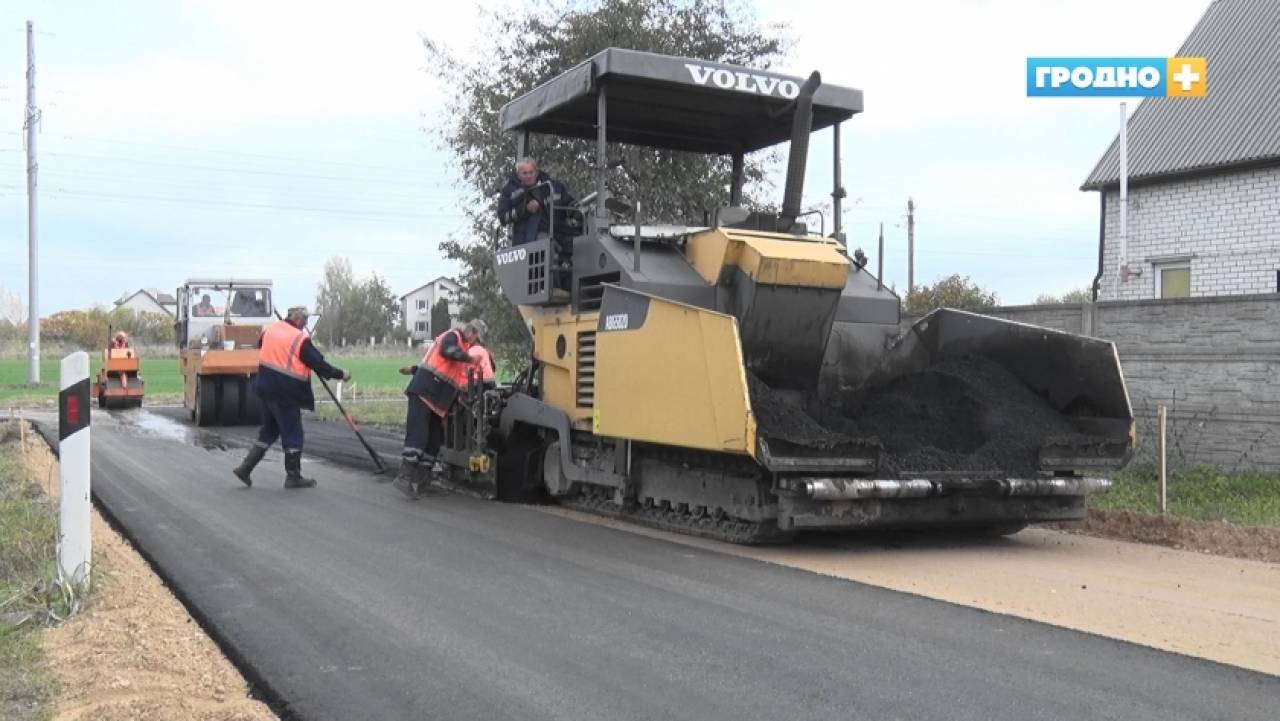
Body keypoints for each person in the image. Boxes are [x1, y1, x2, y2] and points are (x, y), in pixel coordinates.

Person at [231, 306, 351, 489]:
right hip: (285, 392)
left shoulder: (270, 330)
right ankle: (293, 476)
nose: (306, 324)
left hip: (265, 388)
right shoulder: (299, 338)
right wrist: (340, 374)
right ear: (297, 318)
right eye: (305, 320)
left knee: (269, 432)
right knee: (293, 434)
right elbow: (318, 363)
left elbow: (266, 348)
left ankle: (245, 468)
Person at [393, 318, 489, 500]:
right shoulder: (452, 337)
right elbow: (447, 352)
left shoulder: (463, 350)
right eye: (476, 338)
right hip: (424, 393)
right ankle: (404, 477)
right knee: (418, 436)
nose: (475, 342)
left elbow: (451, 375)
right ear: (472, 332)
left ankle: (421, 482)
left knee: (434, 440)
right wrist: (469, 358)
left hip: (437, 401)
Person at [497, 157, 577, 249]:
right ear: (518, 175)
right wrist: (525, 209)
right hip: (530, 239)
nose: (529, 176)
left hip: (560, 232)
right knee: (549, 247)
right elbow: (503, 217)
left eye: (531, 172)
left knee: (580, 244)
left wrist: (577, 211)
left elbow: (569, 203)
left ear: (537, 172)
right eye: (525, 173)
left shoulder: (553, 187)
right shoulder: (510, 191)